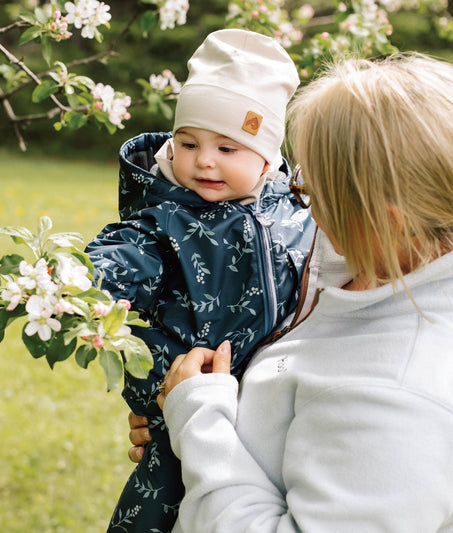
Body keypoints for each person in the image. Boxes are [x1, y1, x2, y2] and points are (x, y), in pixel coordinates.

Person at [152, 53, 453, 532]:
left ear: (387, 220)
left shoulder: (400, 399)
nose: (305, 209)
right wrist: (198, 410)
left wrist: (199, 423)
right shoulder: (369, 269)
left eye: (312, 192)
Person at [85, 29, 316, 532]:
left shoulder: (301, 211)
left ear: (268, 157)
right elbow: (119, 258)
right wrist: (76, 286)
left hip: (278, 415)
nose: (204, 160)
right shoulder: (166, 222)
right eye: (188, 143)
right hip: (191, 403)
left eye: (228, 147)